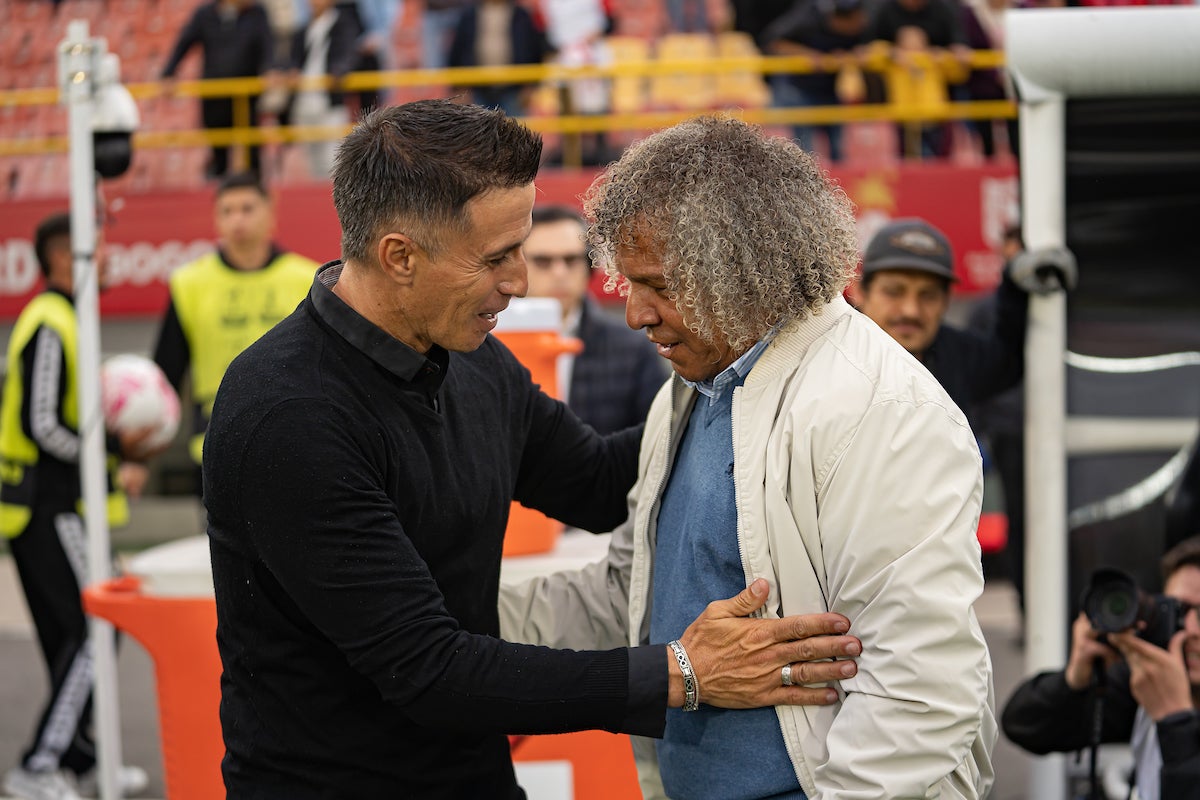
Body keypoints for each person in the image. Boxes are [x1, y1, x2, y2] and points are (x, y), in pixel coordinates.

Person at [202, 99, 865, 799]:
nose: (519, 283)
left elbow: (600, 483)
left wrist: (738, 369)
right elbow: (431, 671)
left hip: (473, 775)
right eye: (495, 259)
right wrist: (681, 672)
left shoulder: (468, 357)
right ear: (400, 256)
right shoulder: (289, 419)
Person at [499, 115, 996, 798]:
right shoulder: (695, 390)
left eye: (659, 285)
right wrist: (438, 620)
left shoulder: (875, 409)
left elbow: (921, 693)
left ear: (738, 271)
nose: (635, 312)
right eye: (626, 281)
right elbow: (632, 592)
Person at [0, 214, 152, 800]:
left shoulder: (69, 318)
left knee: (75, 635)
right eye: (100, 246)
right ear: (65, 257)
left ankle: (82, 755)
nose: (108, 256)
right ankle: (39, 765)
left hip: (59, 508)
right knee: (96, 628)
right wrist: (112, 450)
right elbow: (39, 425)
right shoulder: (49, 321)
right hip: (47, 506)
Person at [1002, 535, 1200, 800]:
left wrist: (1176, 721)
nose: (1190, 630)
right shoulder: (1145, 687)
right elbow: (1022, 725)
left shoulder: (1160, 698)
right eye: (1177, 610)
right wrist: (1074, 680)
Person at [152, 172, 317, 490]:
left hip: (295, 441)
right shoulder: (189, 283)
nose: (237, 220)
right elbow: (166, 372)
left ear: (271, 213)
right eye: (227, 211)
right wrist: (140, 457)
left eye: (247, 209)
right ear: (216, 220)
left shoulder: (307, 279)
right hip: (216, 443)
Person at [854, 217, 1028, 415]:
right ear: (860, 292)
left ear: (946, 301)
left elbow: (1009, 360)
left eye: (928, 296)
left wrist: (1016, 285)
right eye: (894, 292)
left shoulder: (957, 355)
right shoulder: (829, 361)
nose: (911, 310)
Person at [524, 204, 666, 434]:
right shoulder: (487, 340)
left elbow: (654, 439)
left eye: (571, 260)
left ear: (589, 266)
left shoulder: (632, 348)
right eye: (543, 261)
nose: (559, 273)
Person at [161, 0, 279, 180]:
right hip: (214, 95)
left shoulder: (257, 14)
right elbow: (184, 43)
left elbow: (267, 44)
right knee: (218, 149)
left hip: (247, 96)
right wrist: (168, 73)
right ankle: (218, 184)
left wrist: (270, 69)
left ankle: (254, 184)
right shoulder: (204, 14)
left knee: (251, 148)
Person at [761, 0, 869, 163]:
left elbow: (870, 46)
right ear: (838, 19)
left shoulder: (861, 27)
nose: (861, 22)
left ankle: (839, 186)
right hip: (799, 90)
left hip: (829, 90)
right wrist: (810, 56)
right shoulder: (808, 17)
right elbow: (773, 41)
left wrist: (851, 55)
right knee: (804, 153)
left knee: (839, 151)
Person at [287, 0, 364, 177]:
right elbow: (293, 60)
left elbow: (349, 55)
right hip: (304, 101)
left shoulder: (343, 25)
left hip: (330, 101)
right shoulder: (303, 30)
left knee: (332, 160)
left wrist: (338, 72)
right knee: (312, 161)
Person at [447, 0, 546, 118]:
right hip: (478, 89)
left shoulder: (521, 15)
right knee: (479, 134)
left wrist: (530, 86)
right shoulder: (469, 14)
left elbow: (534, 50)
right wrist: (459, 88)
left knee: (512, 133)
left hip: (513, 90)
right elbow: (458, 50)